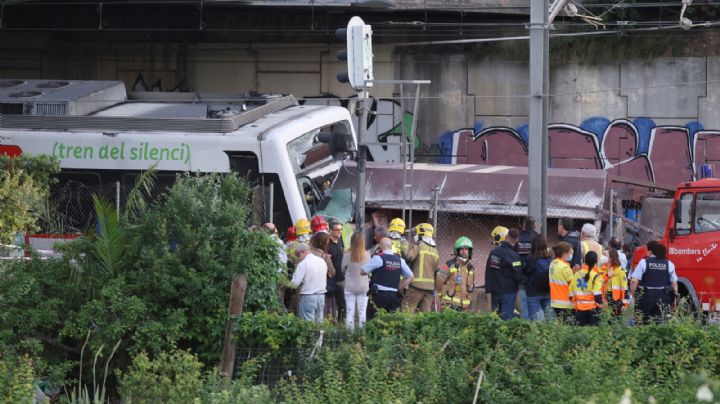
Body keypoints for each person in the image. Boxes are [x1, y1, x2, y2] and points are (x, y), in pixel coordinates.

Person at [362, 238, 415, 316]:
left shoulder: (379, 258)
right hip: (394, 295)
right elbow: (411, 276)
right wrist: (399, 287)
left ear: (380, 246)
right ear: (391, 246)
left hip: (378, 295)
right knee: (390, 321)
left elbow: (363, 271)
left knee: (373, 319)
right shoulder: (400, 260)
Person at [629, 241, 678, 324]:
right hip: (663, 297)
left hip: (646, 297)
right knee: (661, 322)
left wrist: (633, 295)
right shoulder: (669, 264)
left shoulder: (644, 262)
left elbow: (634, 281)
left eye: (646, 250)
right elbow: (674, 283)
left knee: (642, 322)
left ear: (651, 252)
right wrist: (675, 297)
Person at [485, 227, 523, 320]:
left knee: (494, 320)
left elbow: (488, 275)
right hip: (508, 293)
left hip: (494, 293)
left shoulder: (493, 253)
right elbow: (518, 276)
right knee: (506, 321)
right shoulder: (513, 255)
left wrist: (488, 298)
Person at [402, 223, 440, 313]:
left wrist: (404, 243)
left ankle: (407, 327)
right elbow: (436, 270)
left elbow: (408, 257)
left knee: (406, 309)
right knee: (425, 314)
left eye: (416, 233)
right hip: (430, 289)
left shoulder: (419, 245)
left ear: (421, 234)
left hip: (416, 286)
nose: (415, 235)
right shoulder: (436, 251)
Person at [289, 243, 327, 323]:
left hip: (308, 296)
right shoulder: (322, 261)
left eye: (298, 255)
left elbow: (295, 284)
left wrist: (286, 283)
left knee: (308, 326)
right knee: (319, 324)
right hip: (321, 296)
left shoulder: (303, 264)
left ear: (302, 252)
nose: (298, 258)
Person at [436, 236, 475, 311]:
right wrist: (439, 295)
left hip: (464, 305)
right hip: (450, 304)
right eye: (462, 249)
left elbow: (471, 285)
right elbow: (439, 280)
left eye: (466, 249)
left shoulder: (471, 267)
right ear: (456, 250)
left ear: (469, 251)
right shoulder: (448, 264)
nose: (464, 251)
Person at [341, 233, 370, 330]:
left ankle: (349, 335)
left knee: (350, 312)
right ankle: (362, 335)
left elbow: (342, 270)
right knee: (362, 313)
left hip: (350, 287)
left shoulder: (347, 256)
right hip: (363, 287)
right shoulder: (368, 255)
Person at [309, 232, 337, 321]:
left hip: (308, 288)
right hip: (320, 289)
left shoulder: (307, 253)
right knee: (319, 317)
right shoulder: (325, 257)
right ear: (324, 243)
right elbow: (333, 272)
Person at [570, 251, 603, 326]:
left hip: (579, 308)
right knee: (594, 333)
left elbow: (571, 291)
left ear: (585, 260)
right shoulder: (596, 276)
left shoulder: (577, 274)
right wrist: (601, 303)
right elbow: (596, 293)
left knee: (580, 333)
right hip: (592, 309)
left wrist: (574, 304)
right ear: (596, 262)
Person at [524, 235, 552, 321]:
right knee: (550, 319)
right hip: (548, 291)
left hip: (533, 293)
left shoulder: (530, 258)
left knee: (536, 321)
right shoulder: (550, 258)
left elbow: (525, 272)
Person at [515, 217, 538, 319]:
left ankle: (525, 327)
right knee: (534, 305)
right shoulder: (538, 238)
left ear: (523, 225)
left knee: (524, 305)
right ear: (534, 225)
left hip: (521, 276)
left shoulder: (518, 239)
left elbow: (514, 257)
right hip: (534, 277)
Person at [549, 242, 575, 322]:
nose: (571, 254)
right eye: (570, 252)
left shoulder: (553, 263)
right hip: (566, 303)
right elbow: (573, 285)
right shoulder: (565, 267)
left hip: (555, 301)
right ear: (564, 253)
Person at [327, 220, 346, 322]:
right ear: (330, 231)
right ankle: (329, 322)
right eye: (337, 230)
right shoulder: (327, 243)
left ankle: (341, 323)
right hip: (330, 278)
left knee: (342, 303)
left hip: (341, 277)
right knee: (329, 302)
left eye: (341, 229)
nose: (339, 232)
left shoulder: (340, 241)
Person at [606, 248, 629, 316]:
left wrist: (624, 304)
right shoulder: (606, 269)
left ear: (611, 257)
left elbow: (624, 289)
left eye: (607, 256)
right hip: (607, 297)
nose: (606, 258)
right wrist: (607, 275)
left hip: (616, 299)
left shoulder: (620, 271)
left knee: (615, 319)